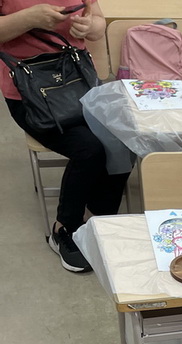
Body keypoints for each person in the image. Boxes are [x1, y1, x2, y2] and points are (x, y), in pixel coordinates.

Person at [0, 1, 130, 272]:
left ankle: (97, 220)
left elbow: (98, 23)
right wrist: (28, 18)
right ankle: (65, 229)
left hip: (77, 78)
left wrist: (89, 26)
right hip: (30, 93)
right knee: (89, 149)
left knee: (125, 137)